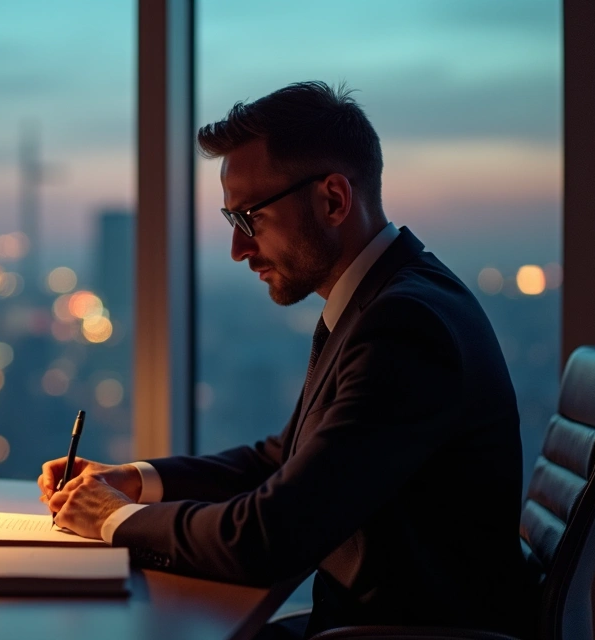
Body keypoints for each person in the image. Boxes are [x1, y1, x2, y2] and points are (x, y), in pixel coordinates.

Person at [38, 81, 528, 635]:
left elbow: (269, 538)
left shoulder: (405, 326)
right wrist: (133, 480)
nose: (239, 249)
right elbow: (283, 458)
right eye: (232, 223)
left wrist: (115, 518)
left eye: (250, 219)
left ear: (333, 199)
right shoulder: (383, 300)